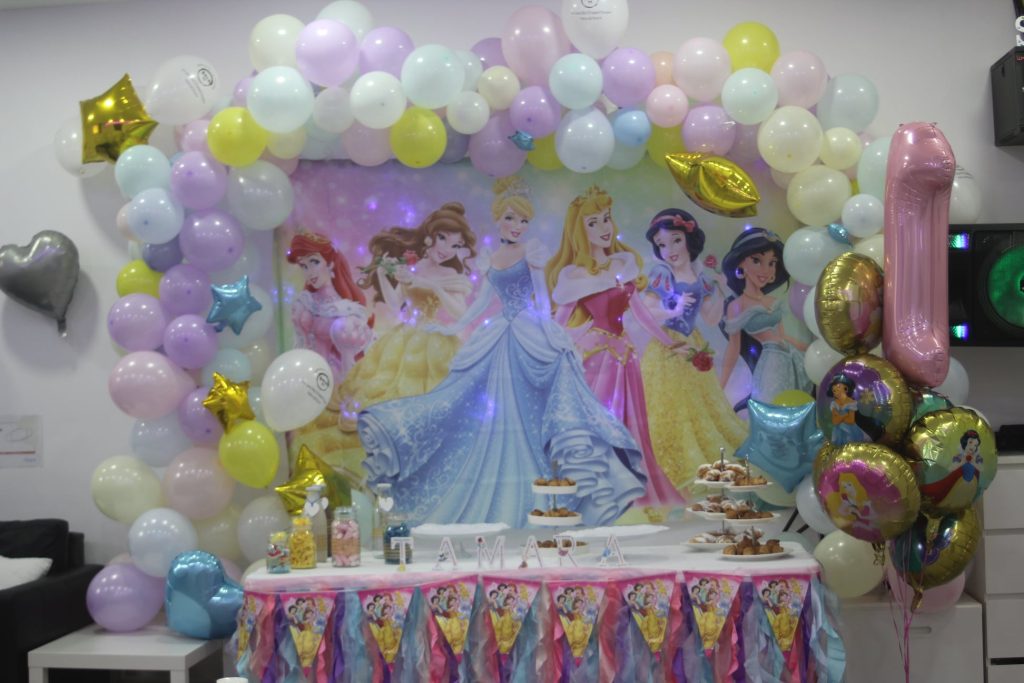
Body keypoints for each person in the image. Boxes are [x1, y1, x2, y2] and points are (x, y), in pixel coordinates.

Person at [358, 178, 647, 526]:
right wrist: (452, 327)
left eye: (523, 220)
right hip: (499, 334)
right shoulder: (491, 259)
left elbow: (541, 296)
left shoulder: (532, 251)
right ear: (499, 220)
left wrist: (550, 330)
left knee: (533, 408)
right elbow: (482, 302)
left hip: (527, 329)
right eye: (511, 218)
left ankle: (550, 494)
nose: (517, 226)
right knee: (480, 408)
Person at [545, 186, 684, 513]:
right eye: (592, 223)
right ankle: (598, 494)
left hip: (625, 358)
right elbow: (559, 321)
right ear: (580, 231)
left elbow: (641, 314)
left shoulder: (623, 265)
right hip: (597, 359)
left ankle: (632, 494)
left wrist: (669, 342)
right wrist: (546, 348)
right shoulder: (575, 276)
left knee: (630, 426)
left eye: (605, 218)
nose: (603, 228)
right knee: (598, 425)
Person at [331, 203, 477, 474]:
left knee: (431, 395)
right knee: (386, 386)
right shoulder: (417, 265)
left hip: (435, 342)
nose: (447, 249)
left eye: (456, 245)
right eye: (443, 238)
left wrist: (433, 287)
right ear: (430, 237)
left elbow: (461, 313)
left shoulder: (451, 275)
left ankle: (428, 456)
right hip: (405, 336)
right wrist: (384, 275)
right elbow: (396, 302)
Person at [639, 209, 749, 491]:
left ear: (689, 239)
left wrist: (720, 289)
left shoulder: (701, 278)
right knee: (668, 404)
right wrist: (672, 309)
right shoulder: (661, 274)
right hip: (666, 346)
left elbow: (711, 318)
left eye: (676, 240)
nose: (670, 250)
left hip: (694, 344)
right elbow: (646, 312)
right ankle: (673, 461)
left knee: (700, 404)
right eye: (662, 244)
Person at [285, 232, 374, 472]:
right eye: (304, 265)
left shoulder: (347, 310)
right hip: (308, 384)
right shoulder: (306, 301)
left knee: (339, 446)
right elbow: (300, 344)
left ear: (331, 263)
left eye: (314, 262)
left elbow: (354, 358)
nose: (309, 271)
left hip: (337, 383)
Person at [719, 227, 811, 406]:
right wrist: (721, 384)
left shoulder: (773, 300)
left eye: (772, 263)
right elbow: (734, 347)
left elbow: (782, 335)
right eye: (756, 260)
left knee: (792, 404)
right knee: (771, 404)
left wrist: (806, 348)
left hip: (792, 359)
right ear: (740, 263)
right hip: (771, 363)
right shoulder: (737, 306)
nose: (766, 270)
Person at [919, 429, 985, 510]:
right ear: (965, 443)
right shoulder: (959, 457)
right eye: (970, 443)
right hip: (958, 482)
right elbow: (952, 468)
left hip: (971, 484)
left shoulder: (977, 458)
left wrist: (973, 462)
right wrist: (963, 461)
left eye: (975, 445)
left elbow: (981, 468)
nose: (972, 447)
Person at [827, 374, 870, 446]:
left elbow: (851, 420)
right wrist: (844, 416)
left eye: (839, 389)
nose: (837, 393)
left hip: (851, 431)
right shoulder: (834, 404)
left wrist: (839, 418)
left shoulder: (851, 403)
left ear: (846, 389)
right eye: (834, 391)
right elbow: (835, 421)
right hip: (838, 432)